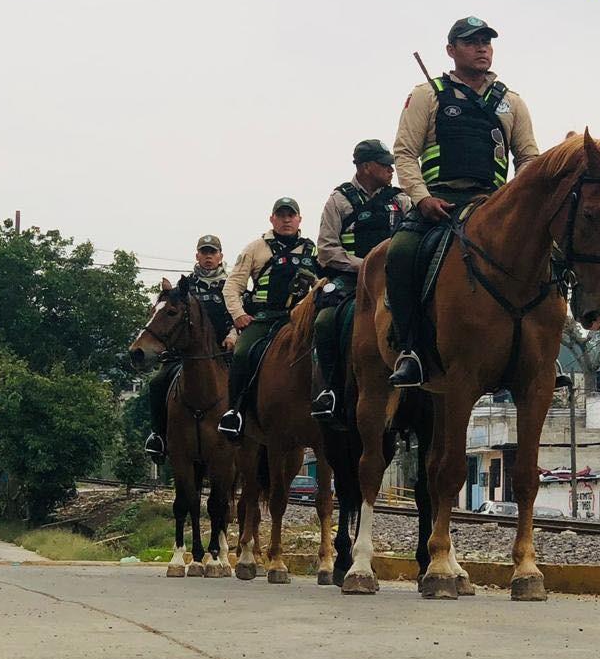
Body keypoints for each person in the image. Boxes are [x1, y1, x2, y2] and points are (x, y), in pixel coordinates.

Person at [387, 15, 540, 387]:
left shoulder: (511, 102)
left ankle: (542, 352)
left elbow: (529, 159)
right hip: (440, 202)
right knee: (400, 253)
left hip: (494, 204)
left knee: (545, 254)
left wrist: (520, 205)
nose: (481, 48)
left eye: (486, 41)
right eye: (471, 42)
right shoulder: (427, 94)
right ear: (451, 50)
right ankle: (410, 349)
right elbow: (404, 153)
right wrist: (421, 198)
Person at [311, 139, 412, 422]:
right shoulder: (339, 200)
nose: (391, 169)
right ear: (366, 167)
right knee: (324, 322)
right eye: (385, 164)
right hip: (349, 280)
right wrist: (366, 267)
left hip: (392, 278)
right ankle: (329, 390)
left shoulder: (401, 200)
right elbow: (327, 249)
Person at [218, 198, 318, 440]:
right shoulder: (255, 248)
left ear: (299, 220)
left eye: (291, 215)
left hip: (301, 319)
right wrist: (239, 315)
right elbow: (232, 286)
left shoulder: (311, 249)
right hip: (265, 318)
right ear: (272, 219)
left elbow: (320, 283)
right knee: (242, 353)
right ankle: (235, 413)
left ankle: (332, 401)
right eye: (281, 215)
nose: (286, 220)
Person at [144, 234, 233, 463]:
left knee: (249, 378)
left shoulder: (232, 284)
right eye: (204, 252)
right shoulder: (184, 287)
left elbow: (241, 312)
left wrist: (233, 335)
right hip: (185, 353)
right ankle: (158, 436)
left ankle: (244, 428)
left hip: (224, 351)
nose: (208, 257)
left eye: (212, 252)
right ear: (197, 256)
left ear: (220, 256)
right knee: (157, 382)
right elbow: (168, 316)